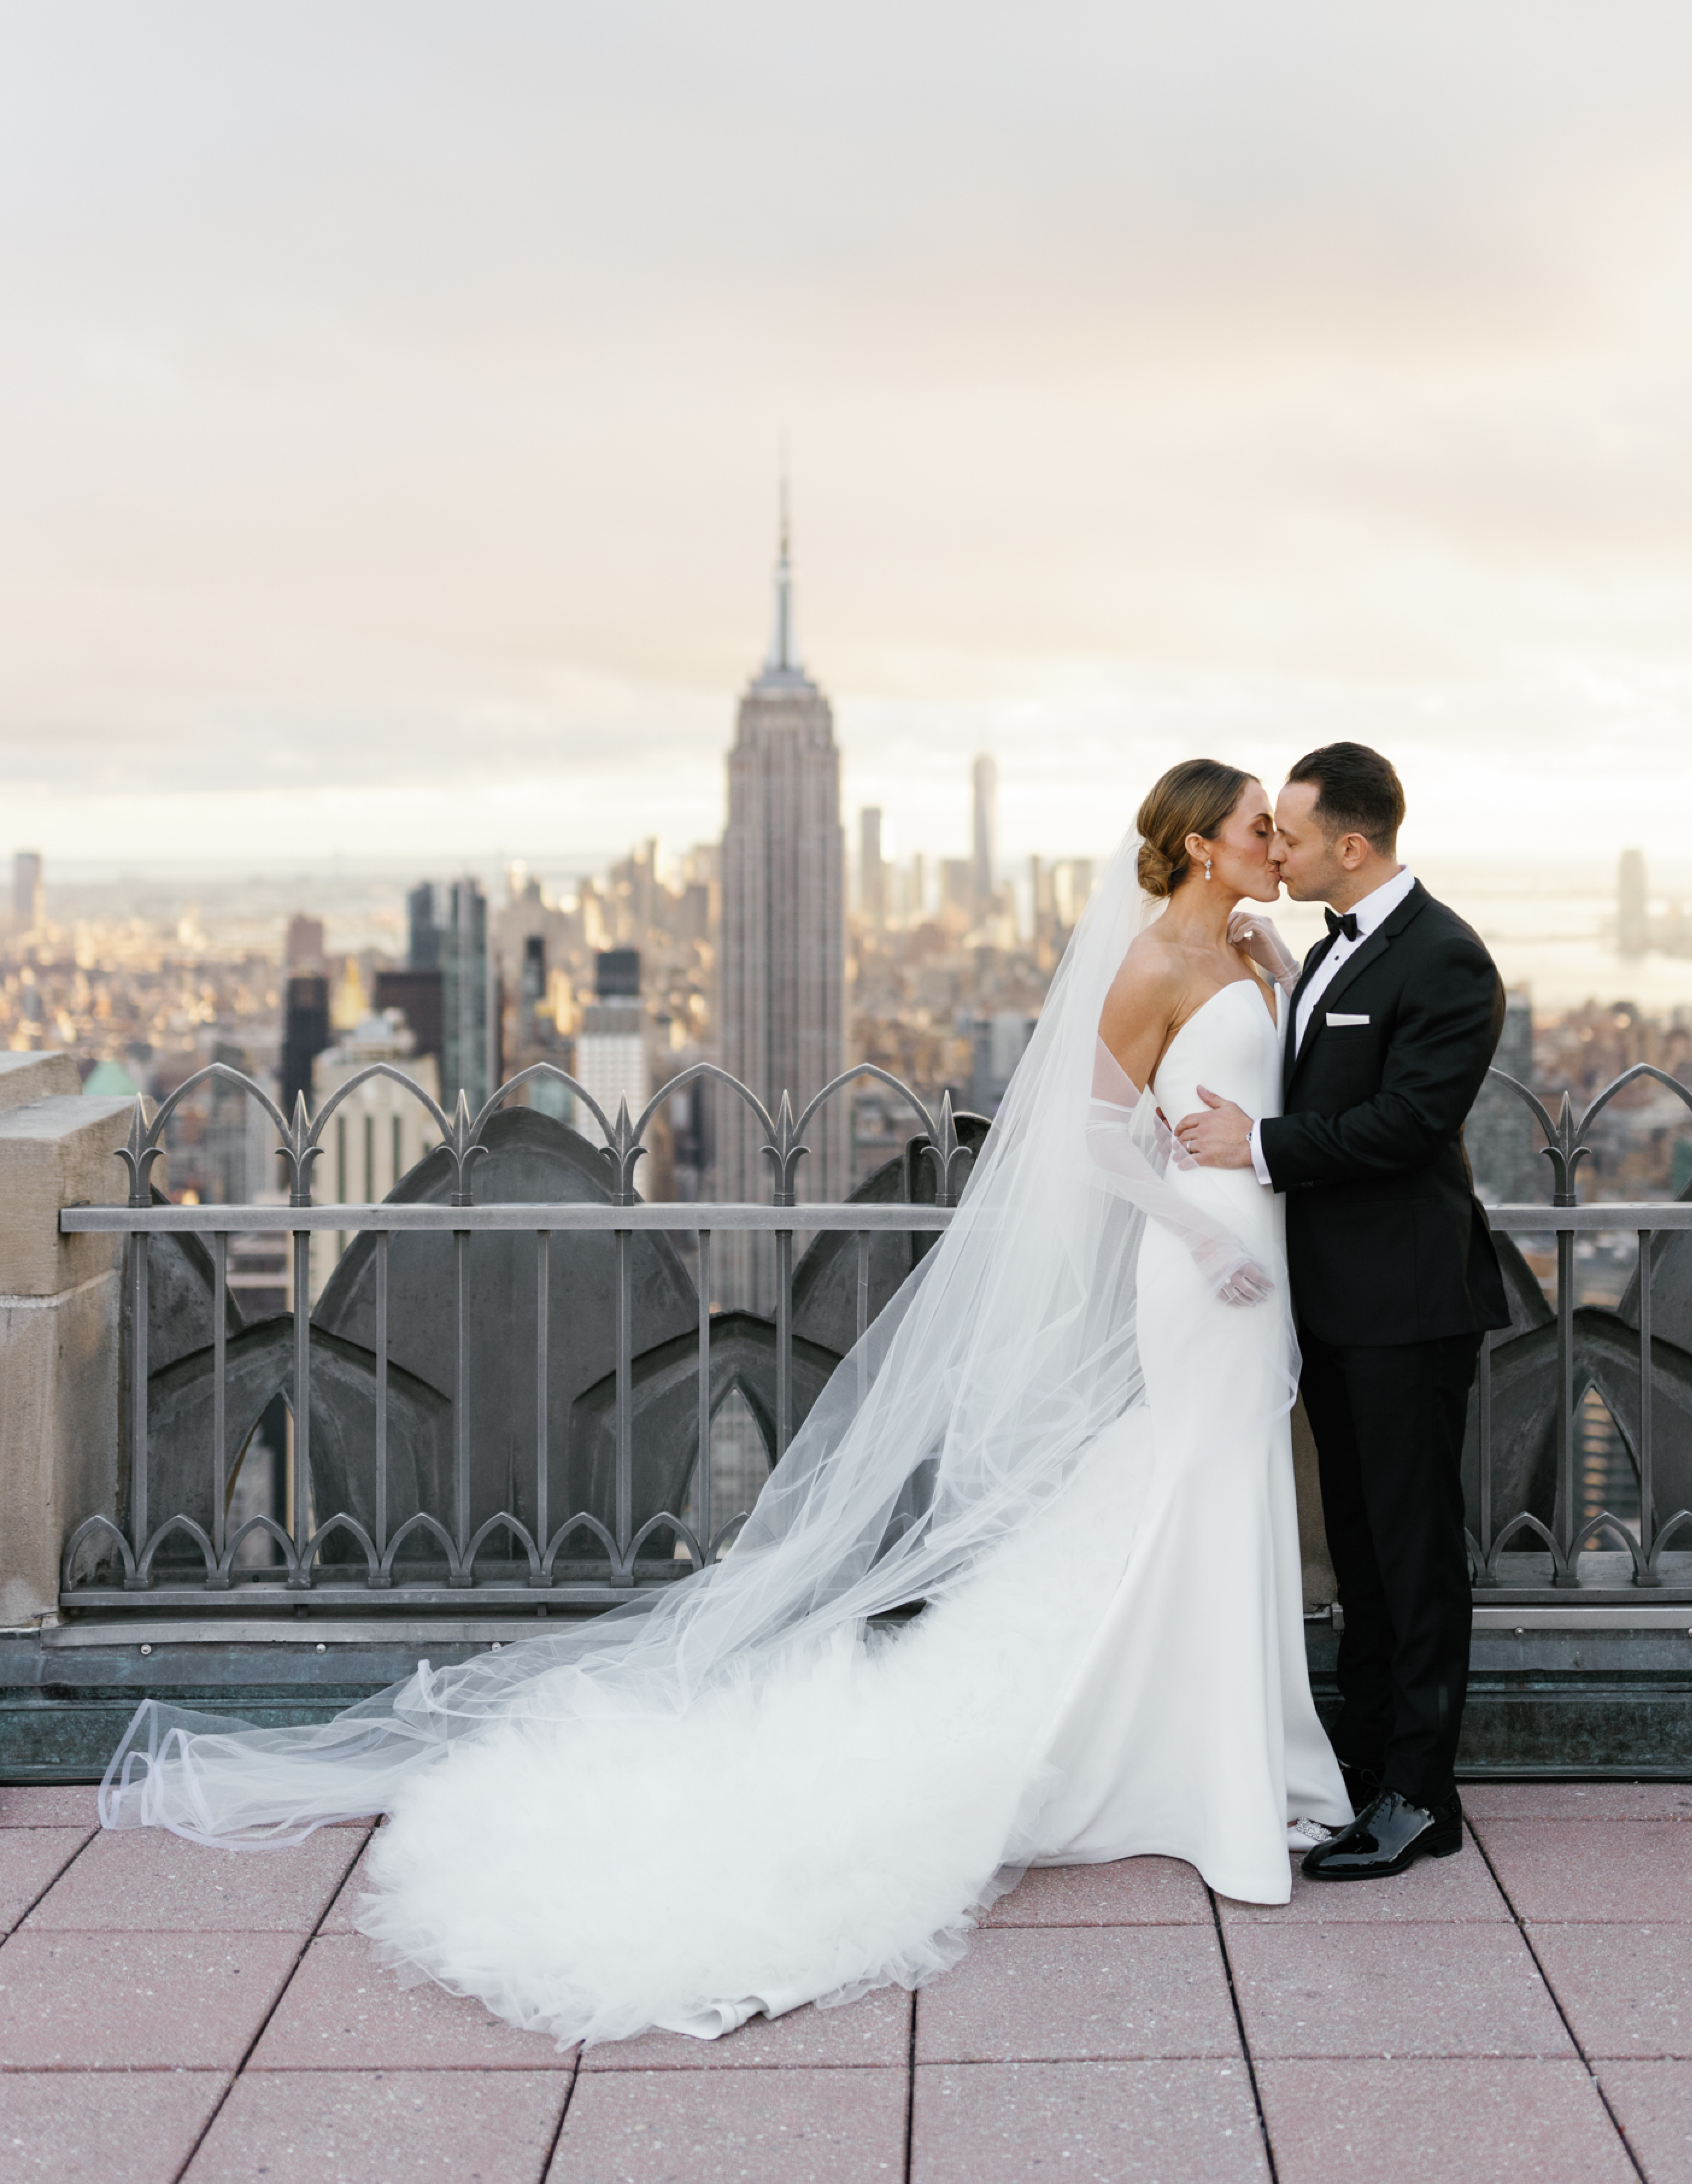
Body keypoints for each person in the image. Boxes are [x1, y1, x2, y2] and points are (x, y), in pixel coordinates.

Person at [100, 760, 1348, 2046]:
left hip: (1253, 1246)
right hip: (1204, 1268)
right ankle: (1188, 1773)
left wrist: (1275, 976)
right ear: (1202, 845)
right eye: (1263, 827)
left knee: (1211, 1485)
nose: (1279, 845)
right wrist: (1196, 1239)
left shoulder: (1254, 950)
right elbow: (1095, 1132)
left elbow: (1281, 1077)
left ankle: (1222, 1752)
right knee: (1196, 1478)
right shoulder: (1148, 966)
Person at [1177, 742, 1509, 1880]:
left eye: (1295, 836)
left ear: (1351, 848)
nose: (1278, 849)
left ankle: (1421, 1797)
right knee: (1362, 1554)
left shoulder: (1448, 960)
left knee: (1412, 1558)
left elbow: (1408, 1127)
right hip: (1329, 1306)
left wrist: (1254, 1145)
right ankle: (1368, 1766)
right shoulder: (1323, 949)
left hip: (1408, 1307)